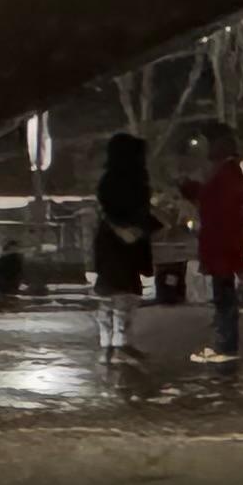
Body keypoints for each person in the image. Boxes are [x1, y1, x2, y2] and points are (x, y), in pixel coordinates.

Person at [89, 133, 158, 362]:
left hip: (111, 242)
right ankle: (120, 344)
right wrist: (143, 228)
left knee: (112, 291)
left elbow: (106, 209)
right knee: (124, 292)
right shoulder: (136, 181)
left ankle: (108, 344)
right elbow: (139, 212)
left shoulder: (109, 180)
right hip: (125, 243)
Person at [194, 132, 243, 364]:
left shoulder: (226, 174)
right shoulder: (229, 173)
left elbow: (219, 208)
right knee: (223, 294)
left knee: (224, 296)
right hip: (223, 246)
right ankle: (225, 343)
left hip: (222, 247)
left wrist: (195, 191)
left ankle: (226, 346)